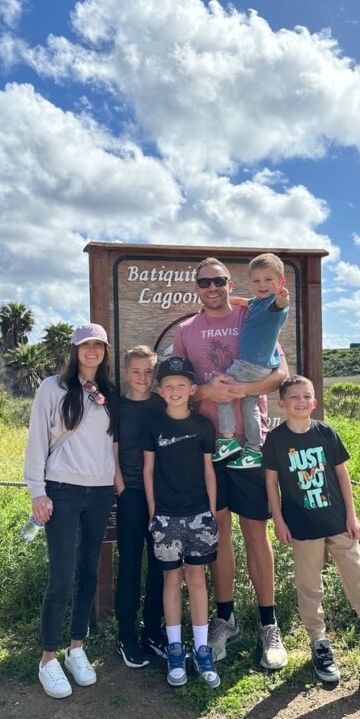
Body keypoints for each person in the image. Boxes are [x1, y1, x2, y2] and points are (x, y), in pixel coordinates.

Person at [172, 257, 289, 670]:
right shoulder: (186, 332)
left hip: (251, 445)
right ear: (196, 287)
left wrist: (241, 390)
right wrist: (207, 391)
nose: (214, 287)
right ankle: (225, 619)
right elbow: (177, 388)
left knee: (256, 533)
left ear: (229, 283)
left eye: (220, 280)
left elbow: (281, 375)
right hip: (209, 448)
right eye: (205, 281)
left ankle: (268, 626)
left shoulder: (251, 312)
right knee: (218, 531)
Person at [263, 375, 360, 686]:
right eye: (294, 397)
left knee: (359, 583)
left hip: (338, 522)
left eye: (307, 396)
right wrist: (278, 520)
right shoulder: (276, 440)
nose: (301, 401)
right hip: (302, 527)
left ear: (315, 402)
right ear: (282, 403)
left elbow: (343, 476)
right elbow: (271, 484)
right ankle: (319, 644)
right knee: (309, 587)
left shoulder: (326, 432)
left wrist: (352, 516)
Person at [24, 323, 117, 699]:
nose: (92, 351)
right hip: (61, 489)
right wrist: (37, 491)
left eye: (98, 345)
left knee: (87, 573)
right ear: (75, 350)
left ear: (105, 351)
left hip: (100, 490)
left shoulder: (110, 393)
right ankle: (48, 658)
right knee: (60, 576)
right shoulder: (53, 387)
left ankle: (76, 647)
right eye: (85, 345)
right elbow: (37, 439)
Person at [143, 356, 220, 688]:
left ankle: (202, 649)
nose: (175, 391)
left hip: (199, 515)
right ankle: (176, 649)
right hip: (166, 517)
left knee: (198, 580)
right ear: (160, 391)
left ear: (192, 389)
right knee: (171, 582)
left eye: (181, 385)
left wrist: (212, 513)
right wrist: (152, 512)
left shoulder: (203, 426)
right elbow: (147, 470)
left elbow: (209, 471)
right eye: (168, 386)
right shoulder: (154, 425)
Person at [113, 345, 166, 667]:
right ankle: (126, 633)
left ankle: (153, 630)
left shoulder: (163, 404)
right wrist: (122, 491)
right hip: (131, 494)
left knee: (162, 565)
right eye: (137, 372)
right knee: (130, 565)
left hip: (163, 496)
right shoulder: (116, 409)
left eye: (149, 372)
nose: (143, 378)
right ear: (125, 374)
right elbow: (111, 451)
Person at [213, 252, 290, 470]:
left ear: (280, 282)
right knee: (250, 406)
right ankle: (254, 450)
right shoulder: (258, 301)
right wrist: (229, 301)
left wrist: (282, 296)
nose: (262, 284)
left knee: (223, 390)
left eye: (268, 280)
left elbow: (280, 304)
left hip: (251, 364)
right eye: (257, 280)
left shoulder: (274, 303)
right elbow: (246, 302)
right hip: (261, 366)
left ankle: (227, 440)